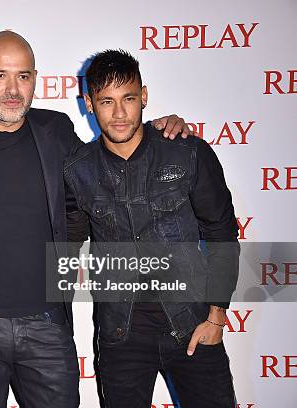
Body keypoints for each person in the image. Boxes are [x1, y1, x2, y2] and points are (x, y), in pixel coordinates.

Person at [0, 32, 192, 408]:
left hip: (47, 325)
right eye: (0, 75)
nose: (13, 89)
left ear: (36, 79)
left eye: (24, 76)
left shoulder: (57, 131)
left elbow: (111, 164)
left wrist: (155, 134)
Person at [63, 49, 240, 407]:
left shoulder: (187, 153)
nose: (118, 113)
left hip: (193, 327)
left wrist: (217, 317)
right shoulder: (78, 170)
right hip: (121, 337)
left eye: (128, 98)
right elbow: (66, 245)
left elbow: (222, 233)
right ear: (88, 103)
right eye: (106, 101)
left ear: (143, 96)